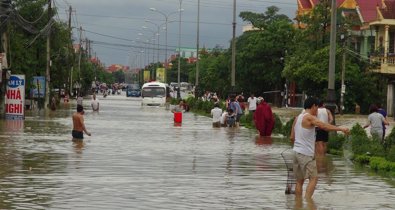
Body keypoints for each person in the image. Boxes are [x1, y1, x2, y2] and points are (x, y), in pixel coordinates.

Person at [291, 97, 349, 198]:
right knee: (314, 178)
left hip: (296, 152)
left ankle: (298, 204)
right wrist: (340, 128)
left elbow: (292, 137)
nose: (317, 110)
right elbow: (324, 126)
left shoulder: (297, 118)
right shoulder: (309, 117)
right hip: (306, 154)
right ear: (313, 106)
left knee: (299, 181)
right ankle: (309, 203)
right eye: (317, 108)